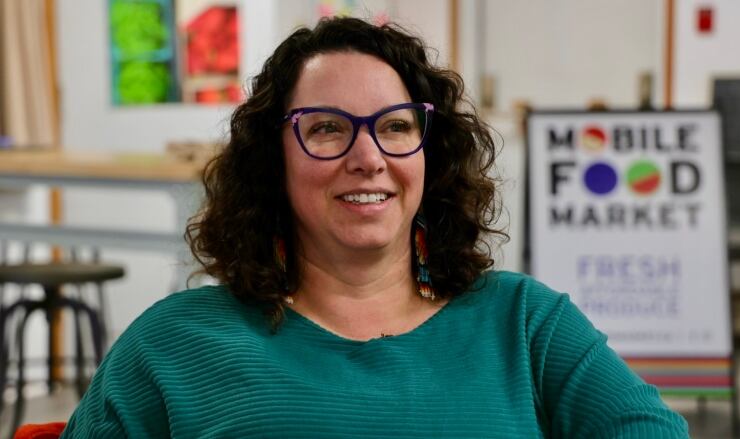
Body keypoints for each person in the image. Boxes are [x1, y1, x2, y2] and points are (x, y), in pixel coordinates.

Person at [62, 17, 688, 438]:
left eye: (395, 125)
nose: (369, 157)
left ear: (428, 154)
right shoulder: (173, 344)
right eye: (327, 127)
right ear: (273, 160)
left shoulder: (524, 322)